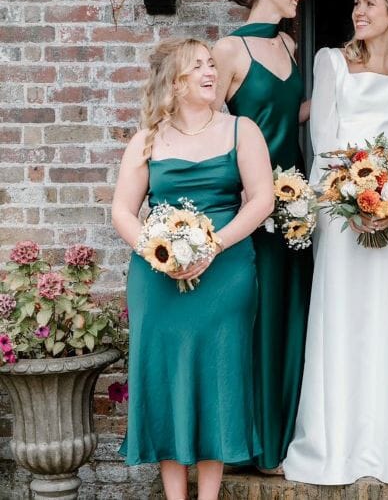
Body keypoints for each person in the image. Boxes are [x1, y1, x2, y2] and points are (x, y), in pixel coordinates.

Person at [284, 0, 388, 484]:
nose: (358, 10)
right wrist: (348, 201)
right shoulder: (331, 61)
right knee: (345, 316)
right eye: (355, 3)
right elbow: (325, 139)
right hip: (341, 210)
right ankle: (338, 441)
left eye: (369, 3)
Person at [112, 38, 273, 500]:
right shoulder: (146, 140)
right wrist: (158, 251)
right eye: (198, 66)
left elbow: (261, 199)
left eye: (211, 64)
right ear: (175, 82)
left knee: (218, 377)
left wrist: (212, 246)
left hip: (226, 274)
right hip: (157, 279)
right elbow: (123, 210)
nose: (211, 71)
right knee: (163, 378)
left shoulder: (242, 130)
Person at [212, 0, 312, 471]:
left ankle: (284, 435)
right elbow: (211, 127)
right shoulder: (227, 51)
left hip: (295, 200)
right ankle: (245, 442)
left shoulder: (290, 45)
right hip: (250, 203)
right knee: (254, 315)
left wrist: (350, 100)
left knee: (291, 308)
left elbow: (289, 114)